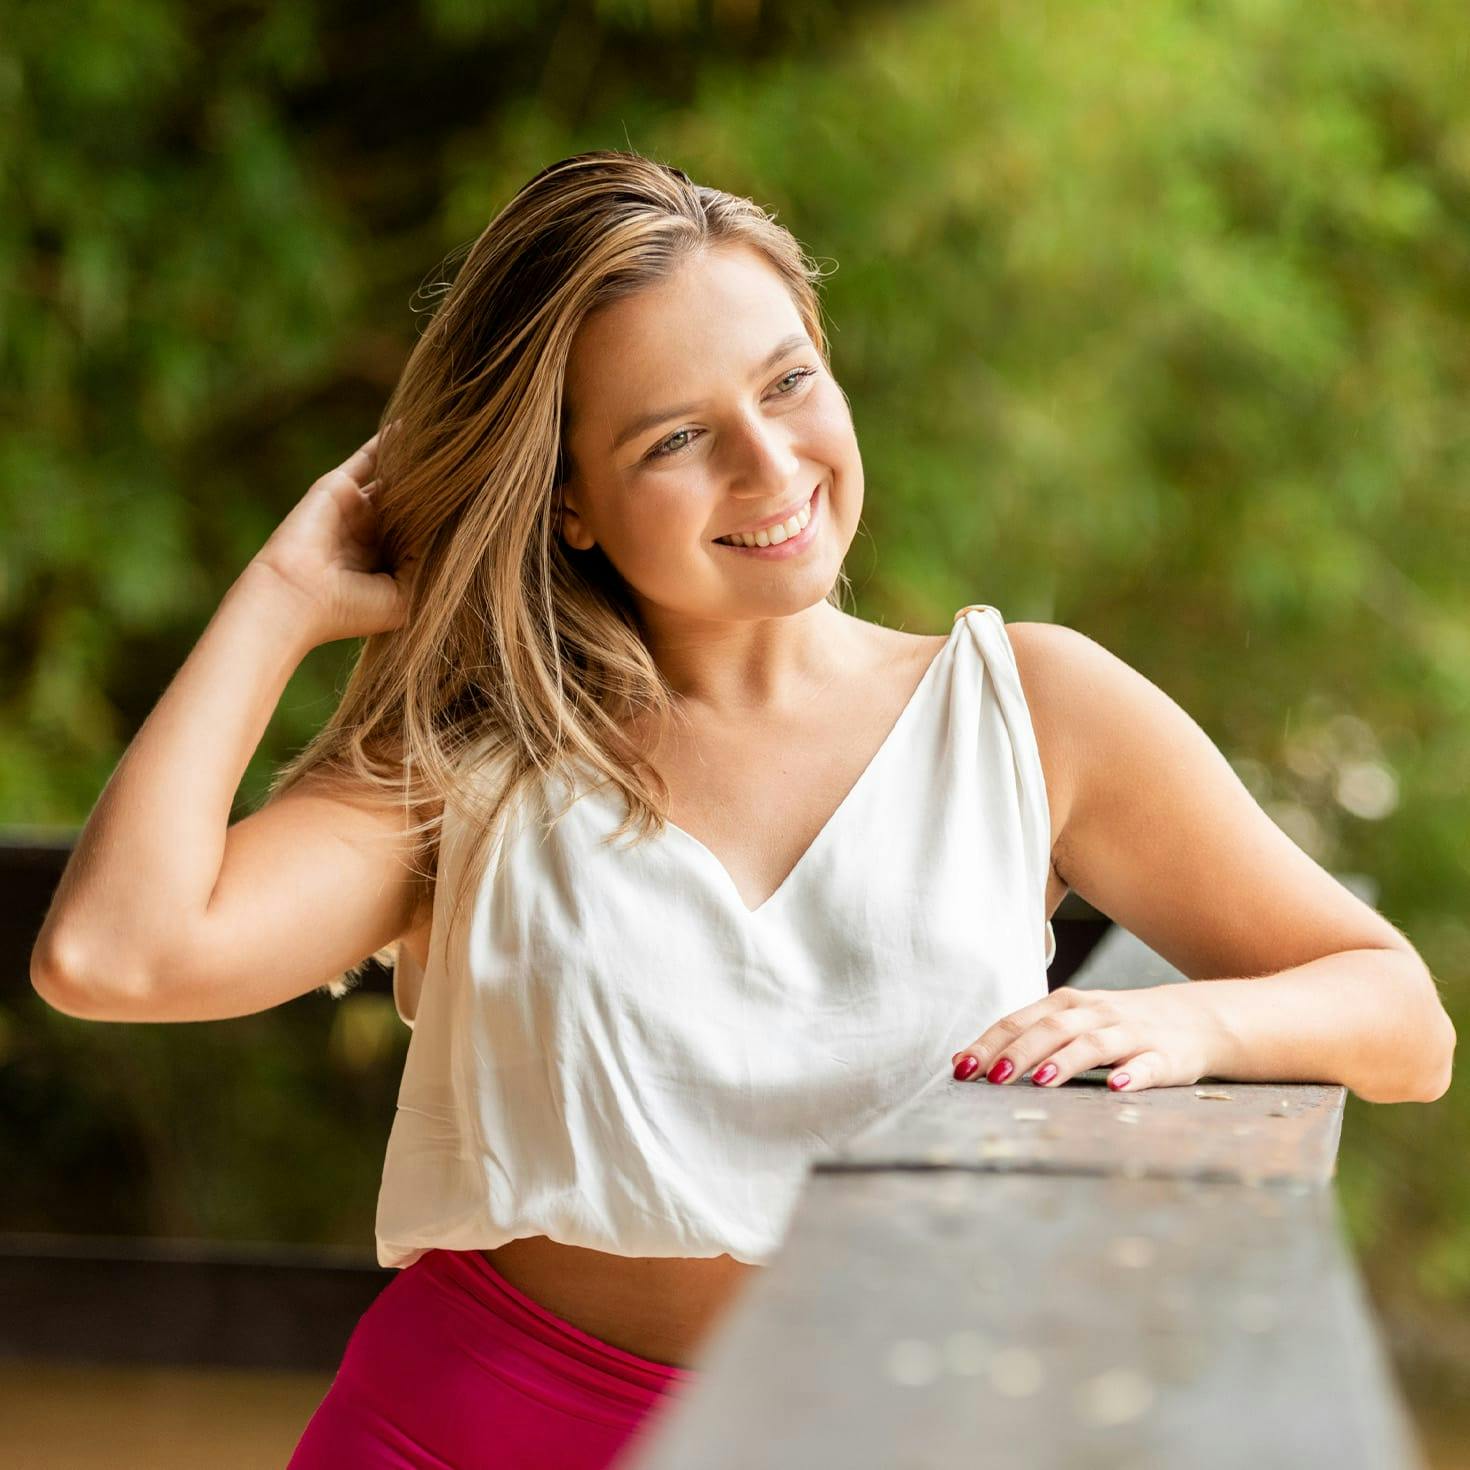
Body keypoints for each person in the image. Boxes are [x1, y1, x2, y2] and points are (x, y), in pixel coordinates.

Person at [31, 150, 1453, 1469]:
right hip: (475, 1423)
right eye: (671, 440)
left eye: (785, 386)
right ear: (569, 501)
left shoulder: (1027, 705)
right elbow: (111, 956)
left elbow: (1398, 1017)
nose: (768, 468)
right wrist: (284, 598)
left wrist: (1186, 1022)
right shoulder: (477, 759)